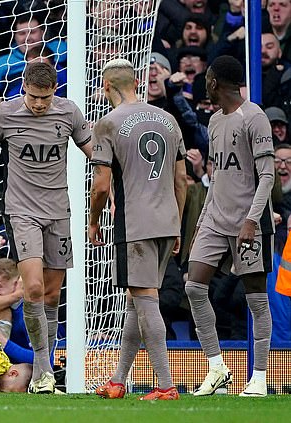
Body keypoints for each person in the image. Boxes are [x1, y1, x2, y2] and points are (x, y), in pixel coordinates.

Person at [0, 61, 92, 394]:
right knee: (33, 288)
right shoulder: (5, 114)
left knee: (51, 295)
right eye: (34, 97)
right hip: (21, 211)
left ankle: (42, 372)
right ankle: (44, 371)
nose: (39, 104)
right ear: (24, 88)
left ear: (55, 91)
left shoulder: (69, 113)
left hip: (59, 212)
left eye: (45, 98)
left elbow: (94, 152)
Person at [89, 58, 187, 401]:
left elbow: (101, 186)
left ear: (106, 86)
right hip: (166, 222)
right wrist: (177, 223)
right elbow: (181, 180)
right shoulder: (168, 119)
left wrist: (92, 220)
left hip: (135, 225)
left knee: (146, 301)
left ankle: (165, 384)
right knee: (136, 300)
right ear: (136, 83)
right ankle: (118, 381)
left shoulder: (108, 123)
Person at [185, 55, 275, 397]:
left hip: (247, 222)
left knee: (256, 299)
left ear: (215, 82)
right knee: (194, 287)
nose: (204, 82)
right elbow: (217, 175)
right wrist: (201, 220)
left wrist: (252, 219)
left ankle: (261, 377)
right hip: (215, 219)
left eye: (207, 77)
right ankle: (217, 368)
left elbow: (266, 175)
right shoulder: (214, 121)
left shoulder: (254, 117)